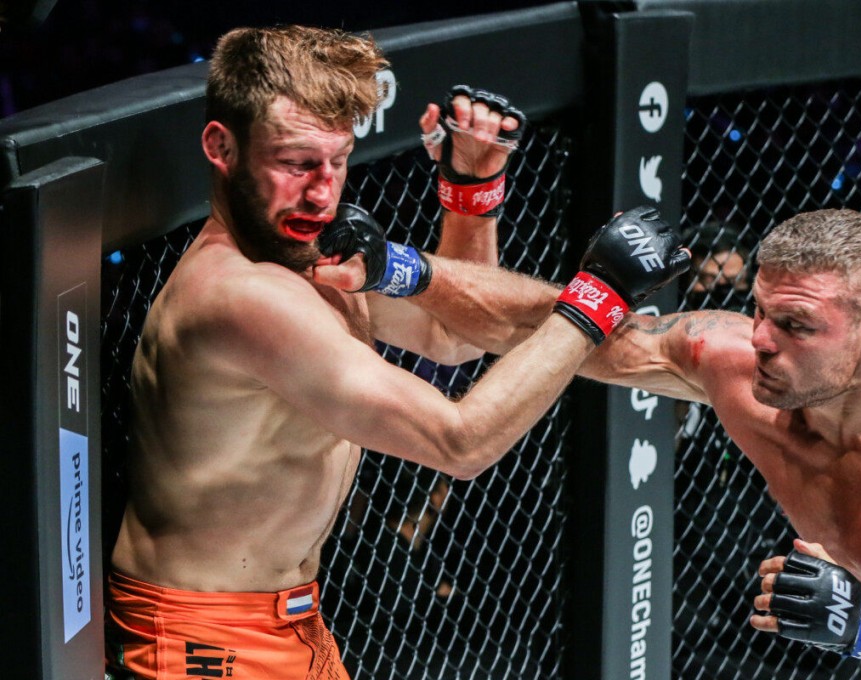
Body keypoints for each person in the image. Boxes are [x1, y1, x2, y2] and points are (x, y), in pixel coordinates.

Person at [103, 24, 690, 680]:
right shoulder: (241, 297)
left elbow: (452, 338)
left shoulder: (301, 251)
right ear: (222, 147)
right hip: (204, 641)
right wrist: (599, 294)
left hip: (288, 618)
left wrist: (471, 197)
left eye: (338, 159)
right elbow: (459, 442)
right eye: (296, 163)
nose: (323, 193)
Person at [404, 208, 861, 679]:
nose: (761, 341)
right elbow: (547, 328)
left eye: (797, 325)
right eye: (760, 312)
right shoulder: (738, 369)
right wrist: (398, 268)